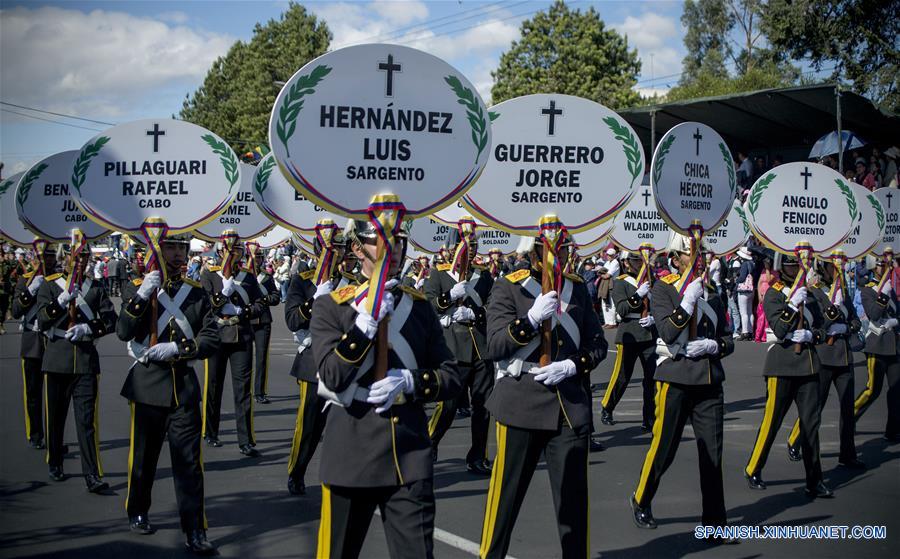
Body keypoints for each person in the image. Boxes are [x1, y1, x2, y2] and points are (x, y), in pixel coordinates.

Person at [312, 219, 461, 559]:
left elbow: (450, 376)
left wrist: (410, 382)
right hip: (352, 452)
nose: (392, 250)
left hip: (407, 456)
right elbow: (332, 376)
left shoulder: (419, 306)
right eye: (381, 241)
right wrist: (364, 326)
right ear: (356, 248)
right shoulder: (332, 306)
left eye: (398, 242)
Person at [478, 224, 607, 559]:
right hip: (521, 400)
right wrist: (531, 320)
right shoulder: (509, 287)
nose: (560, 256)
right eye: (554, 250)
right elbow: (494, 345)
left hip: (568, 404)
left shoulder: (576, 289)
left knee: (574, 508)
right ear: (534, 251)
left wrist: (573, 365)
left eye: (564, 250)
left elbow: (597, 344)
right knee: (503, 505)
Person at [116, 233, 219, 555]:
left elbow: (211, 337)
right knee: (144, 458)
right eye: (170, 247)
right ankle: (137, 508)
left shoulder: (197, 292)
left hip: (184, 388)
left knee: (189, 463)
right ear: (154, 249)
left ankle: (195, 528)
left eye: (181, 248)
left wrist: (179, 347)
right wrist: (144, 293)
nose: (177, 254)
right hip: (147, 386)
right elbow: (123, 331)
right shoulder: (137, 286)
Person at [630, 234, 734, 537]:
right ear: (676, 259)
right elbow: (668, 331)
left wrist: (715, 346)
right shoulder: (664, 289)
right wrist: (687, 302)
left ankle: (715, 523)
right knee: (665, 447)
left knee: (712, 453)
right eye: (691, 252)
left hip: (709, 380)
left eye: (700, 251)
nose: (698, 256)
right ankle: (642, 498)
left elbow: (727, 336)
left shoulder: (713, 292)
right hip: (675, 377)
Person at [744, 252, 834, 498]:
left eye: (799, 266)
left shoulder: (812, 294)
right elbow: (781, 329)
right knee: (772, 421)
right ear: (782, 268)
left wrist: (812, 336)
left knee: (810, 425)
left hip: (809, 365)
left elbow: (824, 328)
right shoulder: (774, 293)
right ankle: (754, 468)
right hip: (781, 365)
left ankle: (814, 480)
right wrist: (793, 304)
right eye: (791, 266)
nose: (796, 270)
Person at [36, 241, 117, 491]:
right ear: (65, 258)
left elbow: (111, 320)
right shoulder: (50, 285)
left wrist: (88, 329)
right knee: (55, 417)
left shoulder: (95, 287)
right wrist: (60, 301)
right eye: (77, 256)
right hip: (57, 359)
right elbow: (41, 318)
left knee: (86, 421)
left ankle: (92, 474)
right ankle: (56, 461)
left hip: (85, 360)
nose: (81, 260)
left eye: (85, 256)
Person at [285, 221, 351, 496]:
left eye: (338, 247)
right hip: (313, 361)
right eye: (330, 247)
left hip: (347, 360)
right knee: (309, 425)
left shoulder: (354, 283)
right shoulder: (302, 281)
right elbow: (291, 320)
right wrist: (315, 301)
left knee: (345, 425)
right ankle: (297, 471)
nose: (335, 252)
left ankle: (341, 477)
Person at [426, 224, 495, 475]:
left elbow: (494, 306)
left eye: (473, 246)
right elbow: (428, 303)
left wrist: (475, 313)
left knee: (483, 406)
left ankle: (478, 456)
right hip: (453, 347)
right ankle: (430, 442)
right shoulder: (439, 274)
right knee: (448, 406)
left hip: (481, 347)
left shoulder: (484, 274)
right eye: (464, 246)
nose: (469, 250)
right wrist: (447, 300)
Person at [785, 256, 864, 467]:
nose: (837, 269)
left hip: (844, 356)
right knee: (815, 407)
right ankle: (795, 439)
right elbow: (819, 322)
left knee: (847, 409)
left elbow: (855, 320)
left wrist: (847, 328)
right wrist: (833, 310)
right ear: (824, 268)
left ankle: (848, 455)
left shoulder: (843, 292)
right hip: (824, 355)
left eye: (839, 266)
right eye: (833, 266)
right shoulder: (816, 292)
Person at [200, 231, 266, 456]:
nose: (233, 255)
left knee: (243, 389)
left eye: (236, 251)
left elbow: (260, 304)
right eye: (228, 251)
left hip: (241, 335)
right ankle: (210, 431)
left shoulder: (247, 276)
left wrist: (242, 311)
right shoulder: (208, 275)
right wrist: (223, 293)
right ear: (220, 253)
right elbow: (206, 304)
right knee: (213, 386)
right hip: (216, 336)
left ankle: (246, 440)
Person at [600, 250, 657, 431]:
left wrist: (654, 317)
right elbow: (623, 310)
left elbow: (661, 305)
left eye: (641, 260)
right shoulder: (620, 282)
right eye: (635, 260)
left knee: (652, 379)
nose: (639, 263)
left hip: (649, 333)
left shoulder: (652, 281)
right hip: (629, 334)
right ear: (626, 263)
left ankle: (649, 418)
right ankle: (607, 407)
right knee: (622, 377)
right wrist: (638, 295)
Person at [12, 242, 57, 449]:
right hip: (32, 341)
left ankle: (53, 436)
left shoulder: (59, 281)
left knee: (54, 395)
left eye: (49, 255)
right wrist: (30, 290)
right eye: (42, 256)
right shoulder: (25, 280)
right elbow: (15, 311)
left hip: (54, 341)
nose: (46, 259)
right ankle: (35, 433)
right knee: (33, 392)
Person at [853, 254, 900, 441]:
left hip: (894, 346)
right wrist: (883, 295)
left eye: (886, 265)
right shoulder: (868, 290)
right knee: (872, 390)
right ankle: (850, 417)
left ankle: (893, 429)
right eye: (881, 265)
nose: (884, 268)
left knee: (897, 390)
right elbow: (873, 314)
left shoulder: (890, 289)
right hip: (877, 345)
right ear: (874, 267)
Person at [245, 242, 282, 405]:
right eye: (254, 257)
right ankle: (245, 390)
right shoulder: (242, 277)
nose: (257, 260)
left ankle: (259, 392)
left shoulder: (266, 277)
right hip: (246, 320)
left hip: (263, 321)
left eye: (259, 257)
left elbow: (276, 297)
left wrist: (263, 298)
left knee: (261, 358)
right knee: (244, 359)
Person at [754, 257, 778, 342]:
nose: (765, 264)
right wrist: (759, 295)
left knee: (767, 317)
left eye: (766, 262)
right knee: (760, 316)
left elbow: (769, 280)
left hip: (769, 296)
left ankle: (765, 336)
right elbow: (759, 282)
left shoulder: (775, 271)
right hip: (762, 294)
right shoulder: (763, 270)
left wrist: (768, 269)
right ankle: (758, 336)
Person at [734, 247, 755, 340]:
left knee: (743, 312)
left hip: (743, 290)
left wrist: (736, 280)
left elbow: (742, 278)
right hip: (751, 290)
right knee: (750, 311)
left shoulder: (744, 264)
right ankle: (750, 331)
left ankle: (745, 332)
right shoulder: (752, 264)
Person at [599, 247, 620, 328]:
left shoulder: (615, 262)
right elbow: (601, 272)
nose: (609, 256)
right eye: (608, 255)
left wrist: (602, 274)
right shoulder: (607, 262)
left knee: (611, 303)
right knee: (604, 303)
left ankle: (613, 322)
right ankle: (607, 322)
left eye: (610, 255)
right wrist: (602, 274)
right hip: (605, 284)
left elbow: (607, 275)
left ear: (614, 255)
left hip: (612, 284)